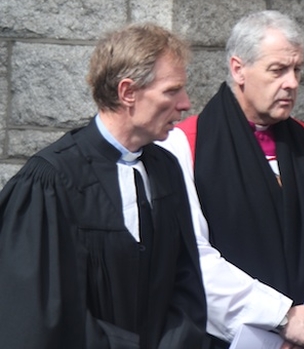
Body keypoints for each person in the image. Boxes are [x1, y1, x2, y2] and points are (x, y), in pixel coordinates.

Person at [158, 10, 304, 349]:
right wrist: (282, 317)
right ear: (238, 69)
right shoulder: (186, 145)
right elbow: (192, 256)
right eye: (278, 70)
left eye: (297, 69)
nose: (292, 83)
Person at [0, 23, 210, 348]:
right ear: (128, 92)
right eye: (172, 90)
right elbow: (37, 314)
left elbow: (186, 285)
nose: (185, 103)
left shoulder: (166, 170)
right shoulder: (49, 182)